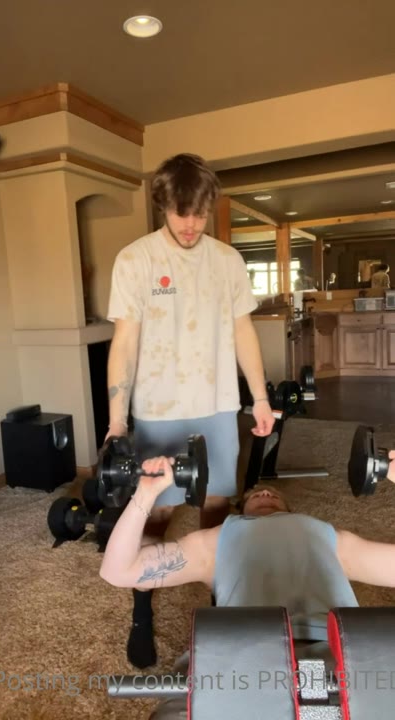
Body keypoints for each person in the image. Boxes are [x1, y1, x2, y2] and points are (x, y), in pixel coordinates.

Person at [105, 153, 275, 668]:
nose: (191, 224)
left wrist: (259, 398)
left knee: (218, 515)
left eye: (200, 214)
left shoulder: (227, 261)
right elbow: (124, 342)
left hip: (218, 408)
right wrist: (117, 421)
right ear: (163, 205)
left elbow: (243, 331)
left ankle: (221, 613)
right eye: (182, 213)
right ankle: (141, 611)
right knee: (154, 514)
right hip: (158, 412)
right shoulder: (135, 260)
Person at [100, 451, 395, 718]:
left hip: (335, 653)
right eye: (254, 494)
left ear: (291, 510)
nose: (265, 491)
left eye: (273, 493)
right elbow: (118, 571)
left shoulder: (329, 536)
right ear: (239, 510)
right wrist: (145, 493)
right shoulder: (216, 539)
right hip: (242, 656)